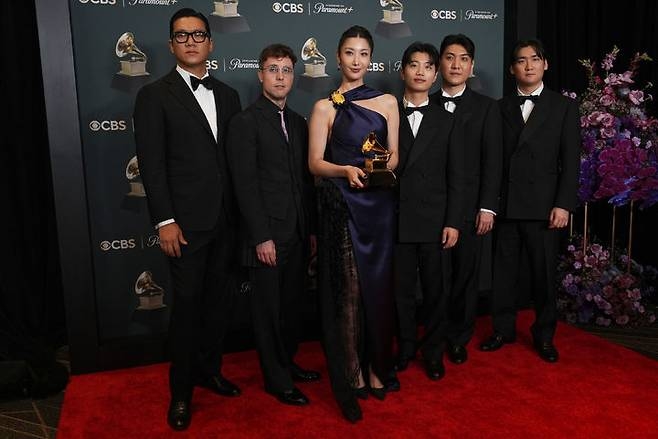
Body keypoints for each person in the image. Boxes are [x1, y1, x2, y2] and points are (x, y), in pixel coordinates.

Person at [133, 8, 242, 431]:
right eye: (182, 36)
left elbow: (231, 162)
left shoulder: (229, 95)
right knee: (187, 309)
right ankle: (181, 392)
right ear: (171, 45)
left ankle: (209, 371)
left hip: (226, 221)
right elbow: (152, 164)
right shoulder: (154, 95)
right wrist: (165, 220)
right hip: (185, 225)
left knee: (218, 305)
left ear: (211, 42)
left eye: (198, 35)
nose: (191, 41)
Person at [308, 25, 399, 423]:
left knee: (379, 291)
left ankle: (379, 367)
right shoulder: (324, 107)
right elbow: (315, 163)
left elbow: (394, 157)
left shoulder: (388, 102)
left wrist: (376, 169)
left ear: (371, 59)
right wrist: (345, 170)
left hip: (379, 206)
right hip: (344, 206)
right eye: (349, 52)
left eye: (363, 53)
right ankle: (352, 374)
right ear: (338, 56)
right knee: (348, 295)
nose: (356, 60)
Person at [226, 44, 320, 407]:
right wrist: (261, 237)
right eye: (273, 69)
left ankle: (287, 363)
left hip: (297, 232)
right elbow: (245, 185)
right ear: (260, 74)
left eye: (286, 70)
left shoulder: (298, 122)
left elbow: (305, 183)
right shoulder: (245, 122)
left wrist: (310, 230)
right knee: (268, 312)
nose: (280, 77)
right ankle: (277, 381)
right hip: (266, 236)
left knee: (291, 308)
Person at [479, 39, 580, 363]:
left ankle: (544, 335)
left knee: (543, 277)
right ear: (512, 69)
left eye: (535, 59)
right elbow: (492, 162)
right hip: (507, 205)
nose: (529, 65)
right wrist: (489, 205)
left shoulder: (564, 107)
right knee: (503, 275)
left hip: (545, 207)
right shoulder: (500, 107)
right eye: (521, 61)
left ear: (545, 64)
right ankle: (502, 329)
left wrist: (563, 204)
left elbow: (571, 161)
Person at [428, 34, 502, 365]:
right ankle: (433, 335)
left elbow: (493, 161)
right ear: (439, 64)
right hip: (432, 207)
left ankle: (458, 337)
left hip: (472, 208)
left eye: (463, 59)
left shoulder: (487, 108)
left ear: (471, 66)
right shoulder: (424, 102)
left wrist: (487, 206)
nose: (456, 65)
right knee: (435, 277)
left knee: (465, 276)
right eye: (449, 57)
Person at [394, 42, 465, 380]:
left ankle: (433, 352)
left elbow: (457, 177)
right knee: (401, 292)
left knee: (436, 292)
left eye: (427, 66)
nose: (420, 72)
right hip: (397, 220)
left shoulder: (448, 121)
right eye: (414, 65)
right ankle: (405, 348)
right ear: (402, 71)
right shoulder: (387, 114)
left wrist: (453, 221)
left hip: (435, 221)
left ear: (435, 75)